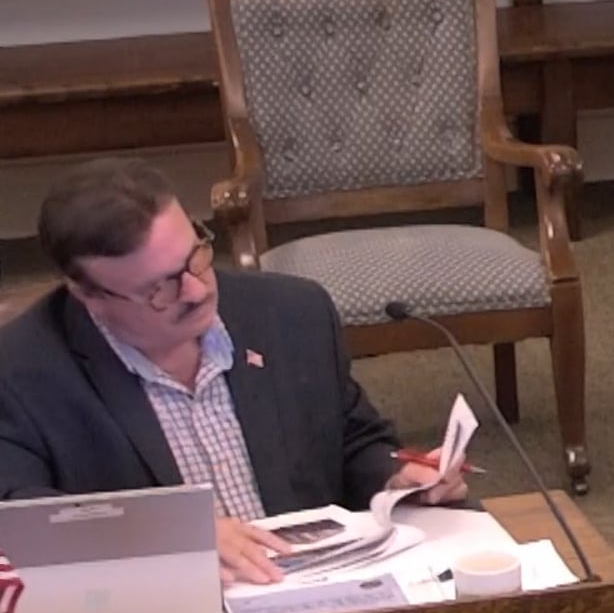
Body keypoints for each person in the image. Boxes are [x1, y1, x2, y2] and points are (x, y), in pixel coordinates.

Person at [0, 158, 463, 585]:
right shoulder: (22, 370)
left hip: (320, 588)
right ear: (88, 295)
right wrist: (170, 533)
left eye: (195, 257)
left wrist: (397, 481)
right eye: (159, 288)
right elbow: (19, 518)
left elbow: (354, 440)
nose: (196, 290)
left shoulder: (290, 313)